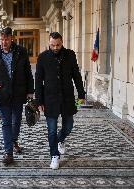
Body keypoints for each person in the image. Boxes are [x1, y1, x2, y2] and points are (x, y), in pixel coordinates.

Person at [35, 32, 85, 169]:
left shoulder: (70, 55)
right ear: (49, 43)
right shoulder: (42, 57)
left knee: (68, 126)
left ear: (62, 42)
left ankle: (61, 139)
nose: (55, 48)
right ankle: (54, 156)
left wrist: (81, 94)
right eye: (52, 45)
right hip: (49, 99)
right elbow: (38, 81)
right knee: (51, 130)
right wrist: (39, 101)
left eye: (58, 45)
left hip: (68, 98)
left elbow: (76, 75)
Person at [0, 27, 34, 166]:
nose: (3, 42)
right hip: (2, 94)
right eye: (1, 39)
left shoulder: (21, 52)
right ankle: (9, 153)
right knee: (6, 122)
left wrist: (30, 90)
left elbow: (28, 72)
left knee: (16, 121)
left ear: (11, 38)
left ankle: (13, 141)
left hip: (18, 93)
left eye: (6, 39)